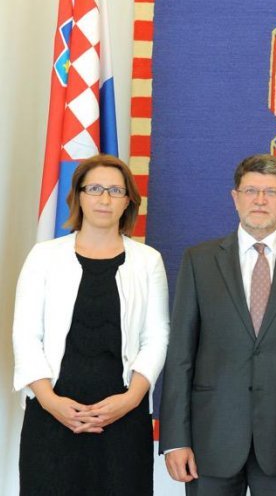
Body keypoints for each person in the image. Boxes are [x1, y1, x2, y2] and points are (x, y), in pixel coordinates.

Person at [159, 153, 276, 496]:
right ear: (235, 197)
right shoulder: (199, 261)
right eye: (251, 191)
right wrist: (175, 439)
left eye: (271, 192)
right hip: (211, 439)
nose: (260, 200)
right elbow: (180, 355)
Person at [13, 154, 169, 495]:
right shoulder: (44, 256)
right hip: (52, 416)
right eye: (95, 188)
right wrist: (51, 402)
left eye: (115, 190)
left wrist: (130, 399)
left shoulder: (148, 261)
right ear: (78, 196)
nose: (104, 199)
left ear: (128, 201)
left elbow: (157, 337)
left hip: (124, 417)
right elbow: (25, 335)